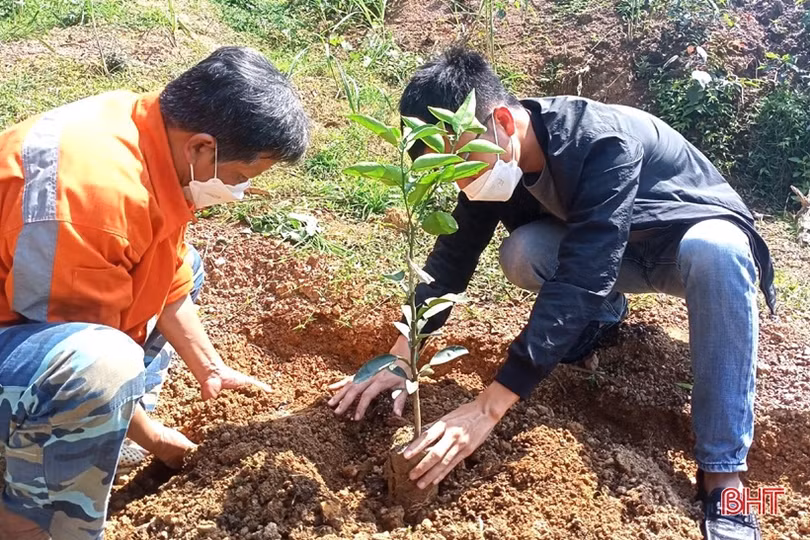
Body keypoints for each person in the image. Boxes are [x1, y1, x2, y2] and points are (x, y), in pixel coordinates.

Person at [329, 48, 774, 540]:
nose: (462, 180)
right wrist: (402, 355)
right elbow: (453, 257)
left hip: (681, 244)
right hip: (611, 253)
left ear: (501, 119)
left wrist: (487, 408)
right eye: (446, 170)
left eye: (461, 163)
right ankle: (603, 319)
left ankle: (725, 473)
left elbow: (584, 272)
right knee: (525, 251)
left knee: (718, 249)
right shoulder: (491, 156)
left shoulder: (602, 140)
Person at [0, 46, 309, 540]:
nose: (238, 192)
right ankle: (38, 521)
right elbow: (77, 350)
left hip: (33, 314)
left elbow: (167, 274)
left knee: (186, 264)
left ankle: (107, 429)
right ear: (203, 148)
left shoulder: (148, 132)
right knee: (100, 366)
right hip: (32, 327)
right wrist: (158, 439)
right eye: (241, 178)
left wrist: (211, 367)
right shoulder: (93, 198)